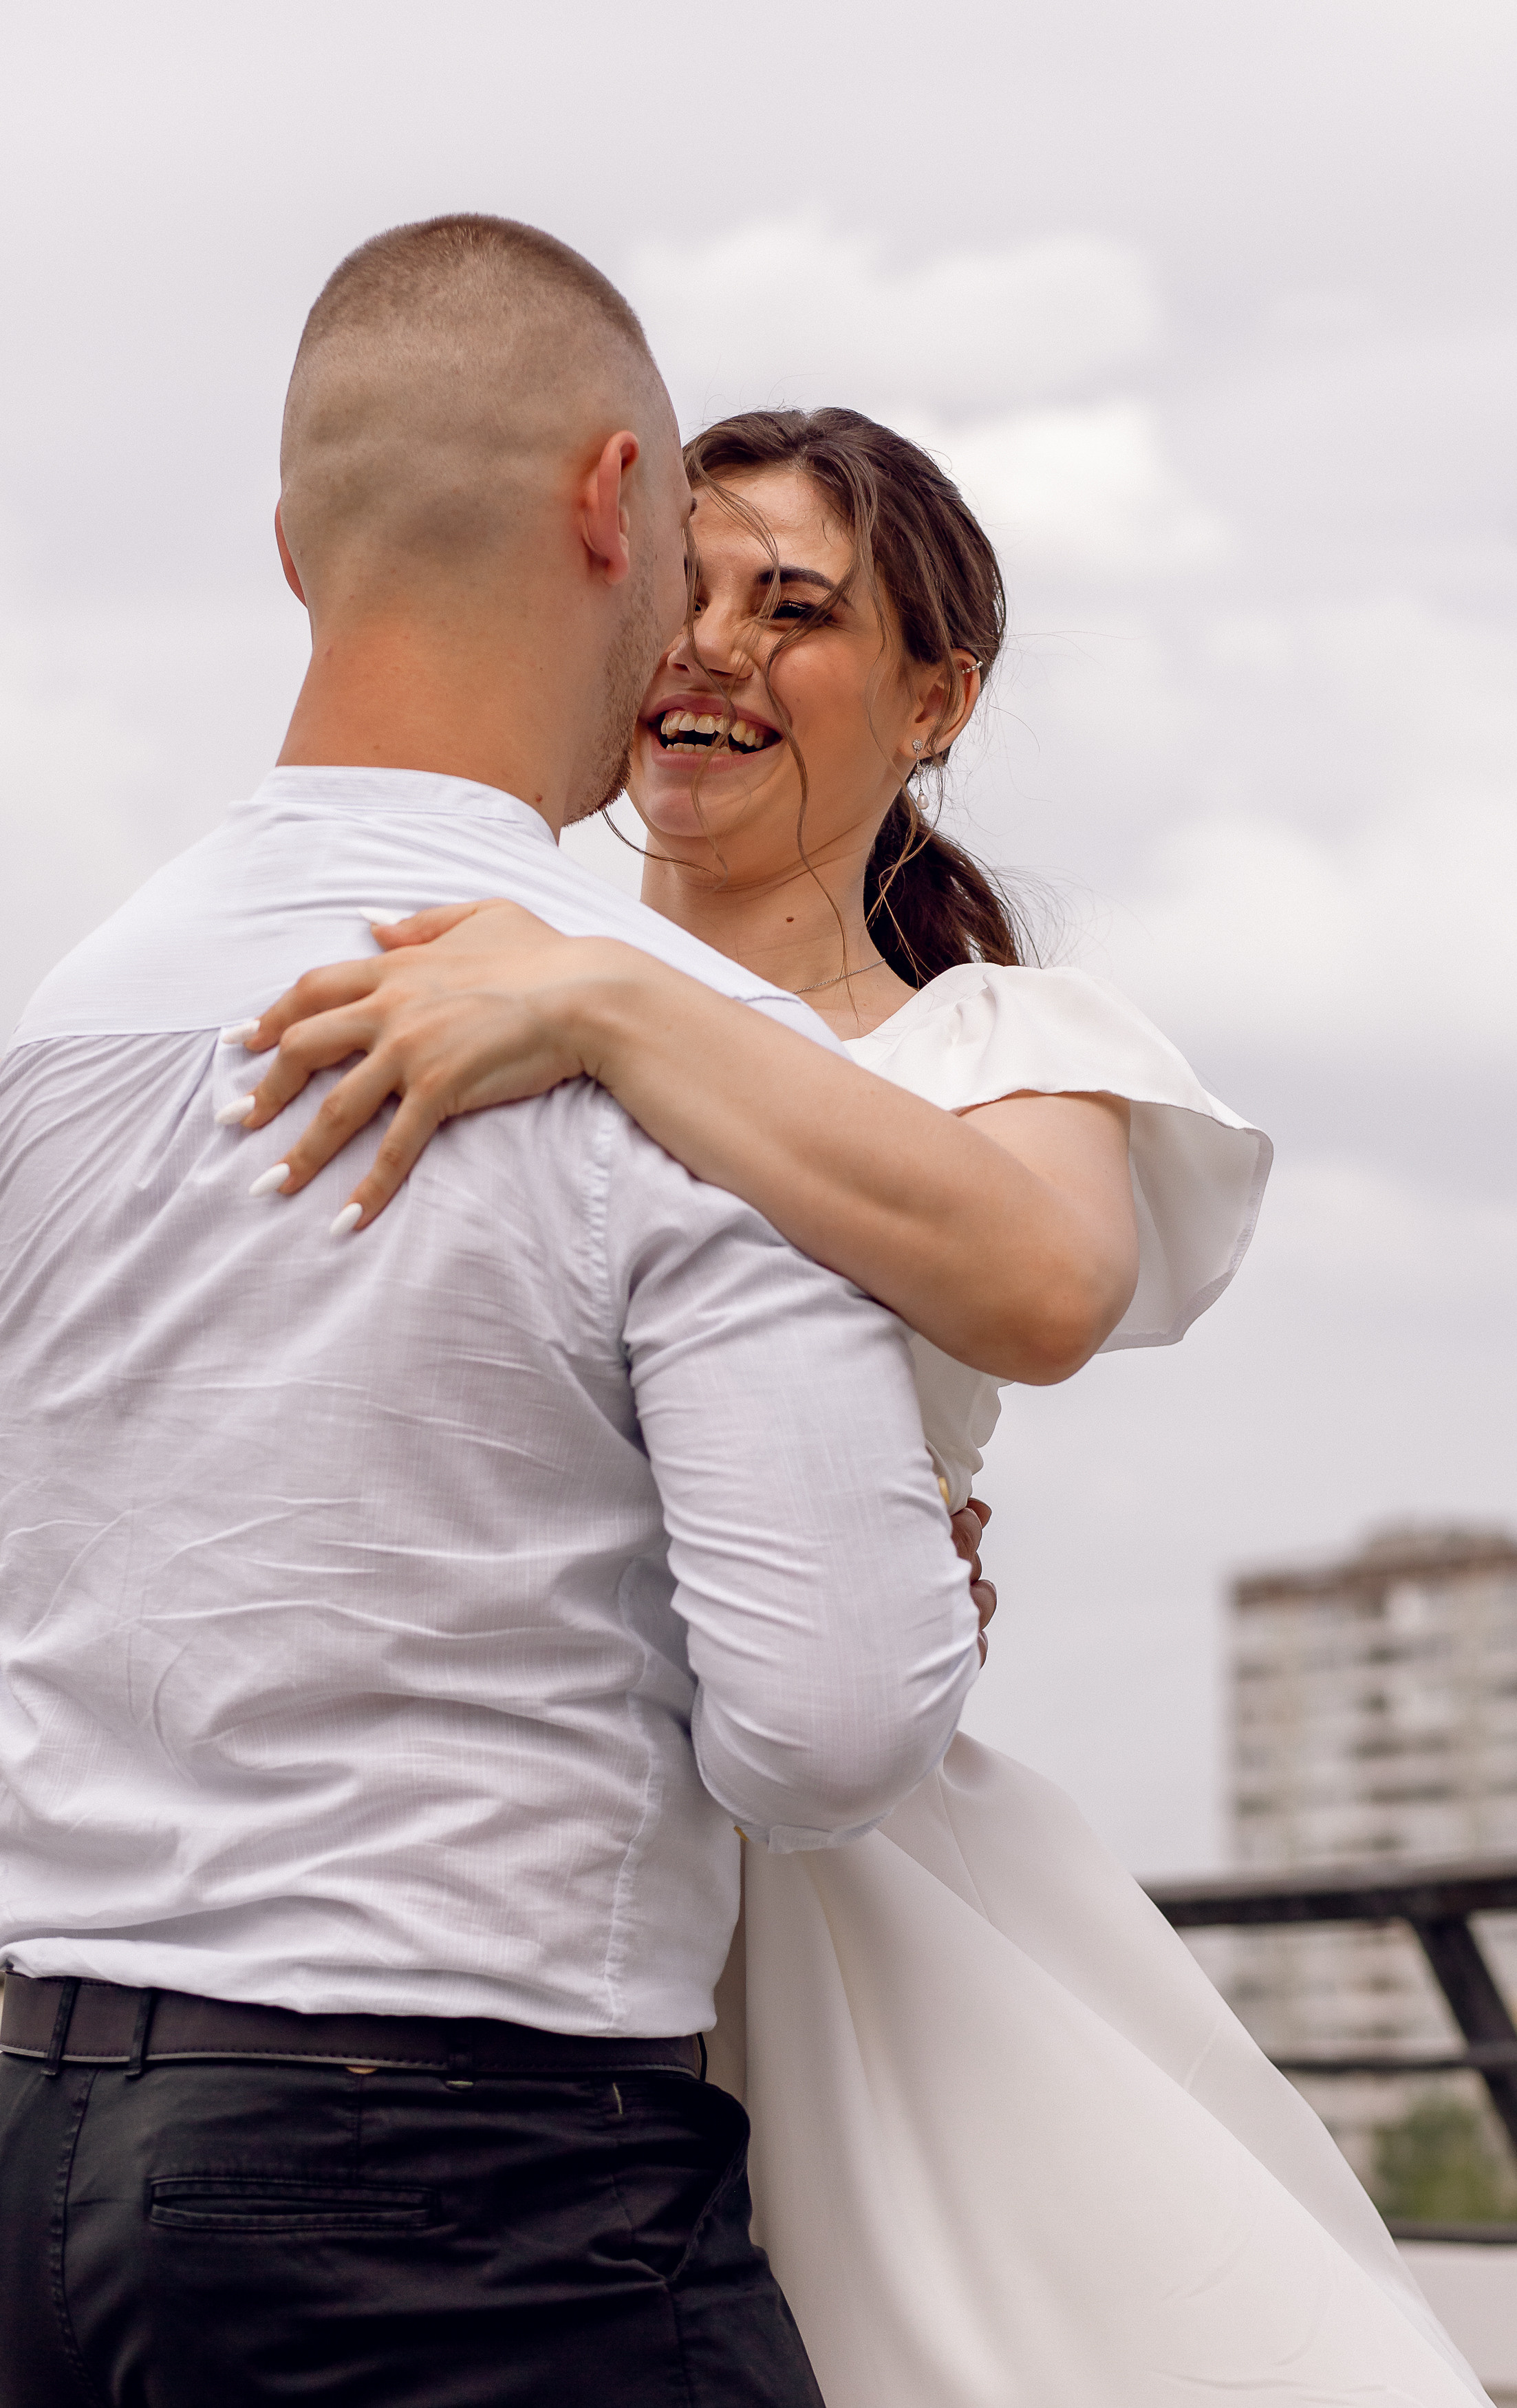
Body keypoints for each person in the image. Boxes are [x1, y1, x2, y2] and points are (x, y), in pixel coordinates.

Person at [234, 407, 1489, 2404]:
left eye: (794, 607)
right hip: (485, 1890)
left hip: (854, 1897)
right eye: (685, 589)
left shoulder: (998, 1037)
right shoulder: (474, 974)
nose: (712, 646)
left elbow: (1043, 1278)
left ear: (936, 698)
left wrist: (618, 1002)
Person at [0, 221, 989, 2408]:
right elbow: (825, 1733)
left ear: (292, 547)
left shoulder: (59, 1029)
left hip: (41, 2170)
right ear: (613, 502)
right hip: (471, 2204)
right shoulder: (684, 1052)